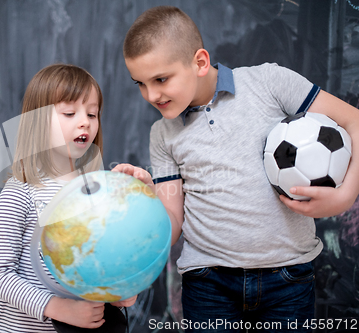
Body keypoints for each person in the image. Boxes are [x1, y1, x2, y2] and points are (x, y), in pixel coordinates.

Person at [113, 6, 359, 332]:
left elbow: (353, 120)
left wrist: (344, 197)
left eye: (160, 79)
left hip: (288, 277)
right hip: (208, 283)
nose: (151, 95)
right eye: (140, 84)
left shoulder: (269, 82)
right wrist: (147, 195)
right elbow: (172, 223)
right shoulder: (163, 134)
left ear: (200, 62)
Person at [0, 64, 136, 332]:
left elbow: (101, 261)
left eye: (92, 113)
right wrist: (58, 307)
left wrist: (120, 290)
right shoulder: (19, 192)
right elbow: (0, 275)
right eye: (69, 113)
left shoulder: (96, 193)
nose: (85, 122)